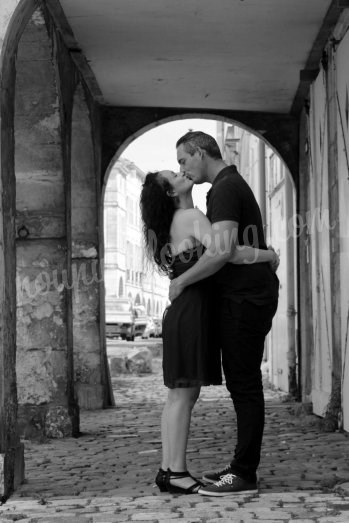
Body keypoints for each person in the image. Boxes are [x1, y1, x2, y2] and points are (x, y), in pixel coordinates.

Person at [140, 169, 279, 495]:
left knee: (179, 395)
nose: (181, 171)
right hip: (190, 313)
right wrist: (268, 254)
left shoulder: (182, 217)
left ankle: (168, 469)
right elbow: (227, 252)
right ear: (171, 192)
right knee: (183, 395)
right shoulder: (189, 216)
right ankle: (175, 472)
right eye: (173, 173)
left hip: (185, 312)